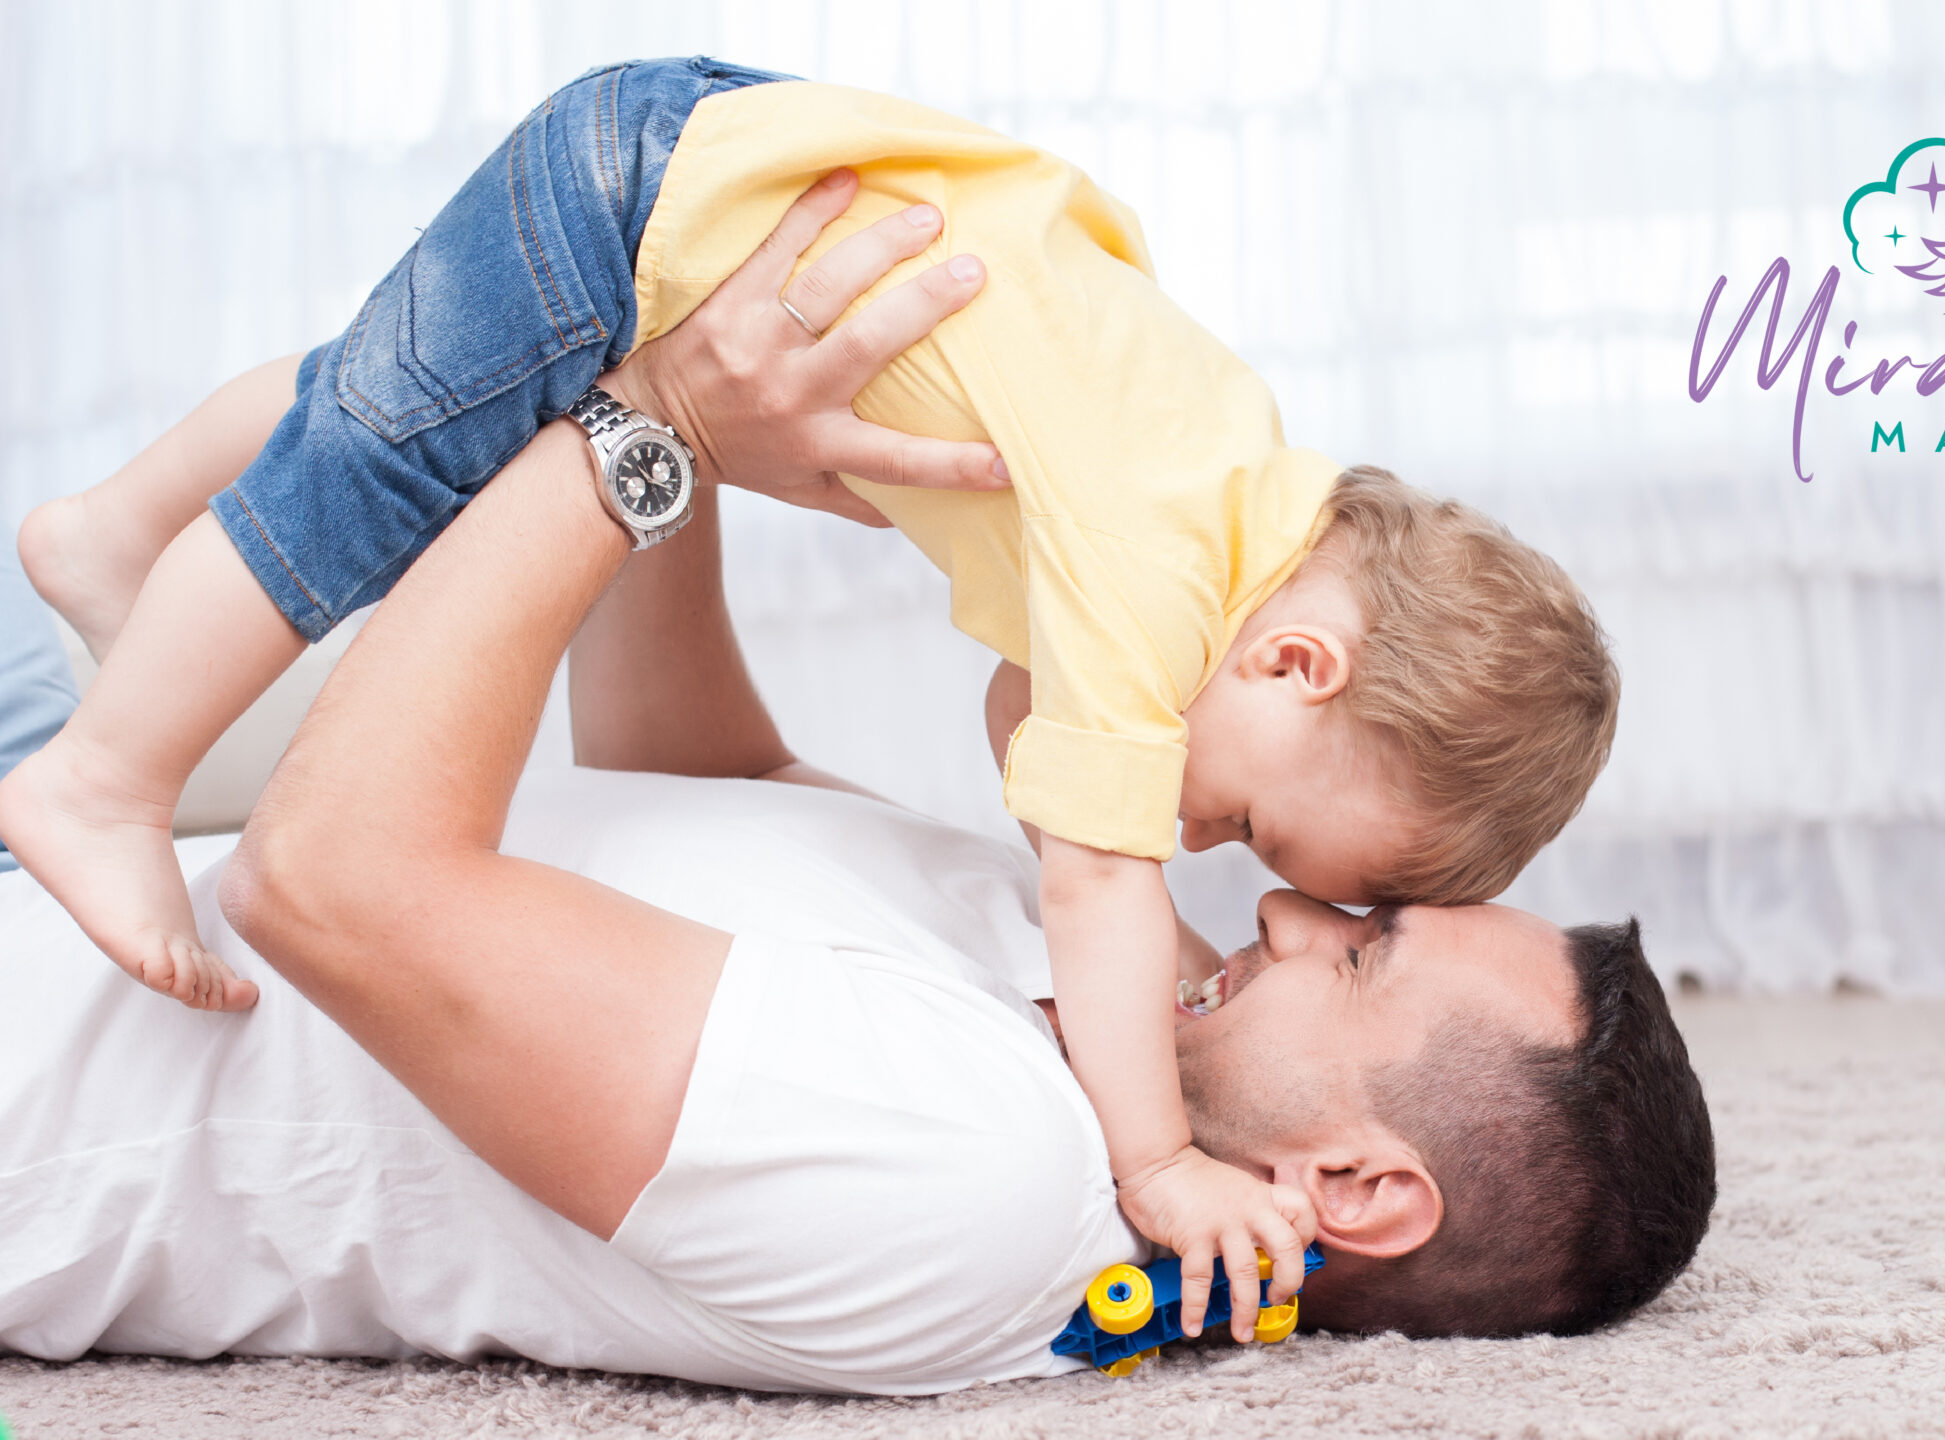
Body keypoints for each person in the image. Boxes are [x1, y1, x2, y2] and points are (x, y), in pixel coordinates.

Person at [0, 59, 1618, 1335]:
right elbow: (689, 769)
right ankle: (108, 632)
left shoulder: (976, 1180)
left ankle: (107, 669)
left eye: (1357, 942)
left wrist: (656, 423)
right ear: (1300, 662)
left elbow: (327, 887)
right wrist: (683, 419)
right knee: (406, 423)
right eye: (1327, 889)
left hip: (45, 1016)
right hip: (101, 790)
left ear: (1352, 1186)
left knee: (398, 425)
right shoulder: (1093, 909)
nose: (1260, 905)